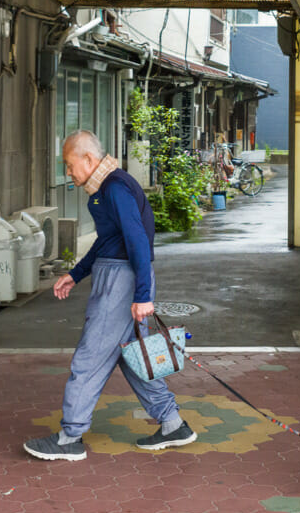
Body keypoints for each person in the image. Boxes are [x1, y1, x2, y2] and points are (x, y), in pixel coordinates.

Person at [23, 130, 195, 461]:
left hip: (121, 282)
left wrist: (143, 295)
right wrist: (75, 274)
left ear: (88, 159)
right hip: (117, 277)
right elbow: (108, 240)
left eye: (69, 165)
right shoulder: (104, 190)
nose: (68, 173)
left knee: (90, 357)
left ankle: (69, 438)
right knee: (132, 356)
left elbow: (138, 240)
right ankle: (173, 424)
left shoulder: (115, 188)